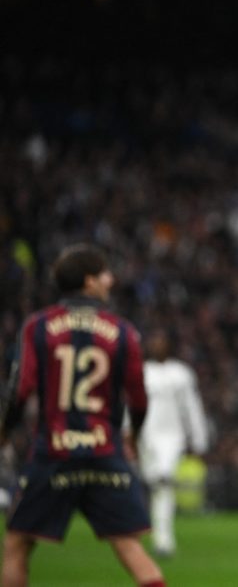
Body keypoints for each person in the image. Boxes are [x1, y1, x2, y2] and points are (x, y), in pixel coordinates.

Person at [0, 244, 165, 587]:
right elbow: (138, 398)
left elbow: (20, 389)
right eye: (105, 274)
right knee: (130, 547)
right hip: (105, 452)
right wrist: (133, 436)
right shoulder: (122, 331)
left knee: (16, 546)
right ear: (89, 281)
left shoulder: (38, 326)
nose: (111, 280)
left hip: (54, 452)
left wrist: (4, 431)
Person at [138, 328, 210, 557]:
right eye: (154, 341)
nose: (157, 345)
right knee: (153, 484)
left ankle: (163, 541)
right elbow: (131, 405)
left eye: (161, 341)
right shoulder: (142, 372)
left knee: (163, 482)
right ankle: (155, 533)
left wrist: (198, 438)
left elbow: (192, 406)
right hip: (145, 437)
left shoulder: (181, 374)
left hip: (172, 437)